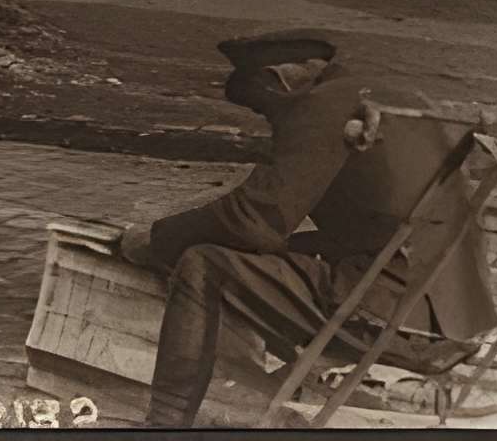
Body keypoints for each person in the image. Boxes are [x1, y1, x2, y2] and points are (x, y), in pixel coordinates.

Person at [113, 32, 426, 428]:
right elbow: (384, 221)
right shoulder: (392, 98)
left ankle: (166, 422)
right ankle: (243, 390)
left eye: (267, 109)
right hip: (442, 315)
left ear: (278, 79)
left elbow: (256, 221)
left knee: (202, 262)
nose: (274, 123)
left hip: (389, 315)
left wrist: (157, 240)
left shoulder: (324, 106)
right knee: (255, 258)